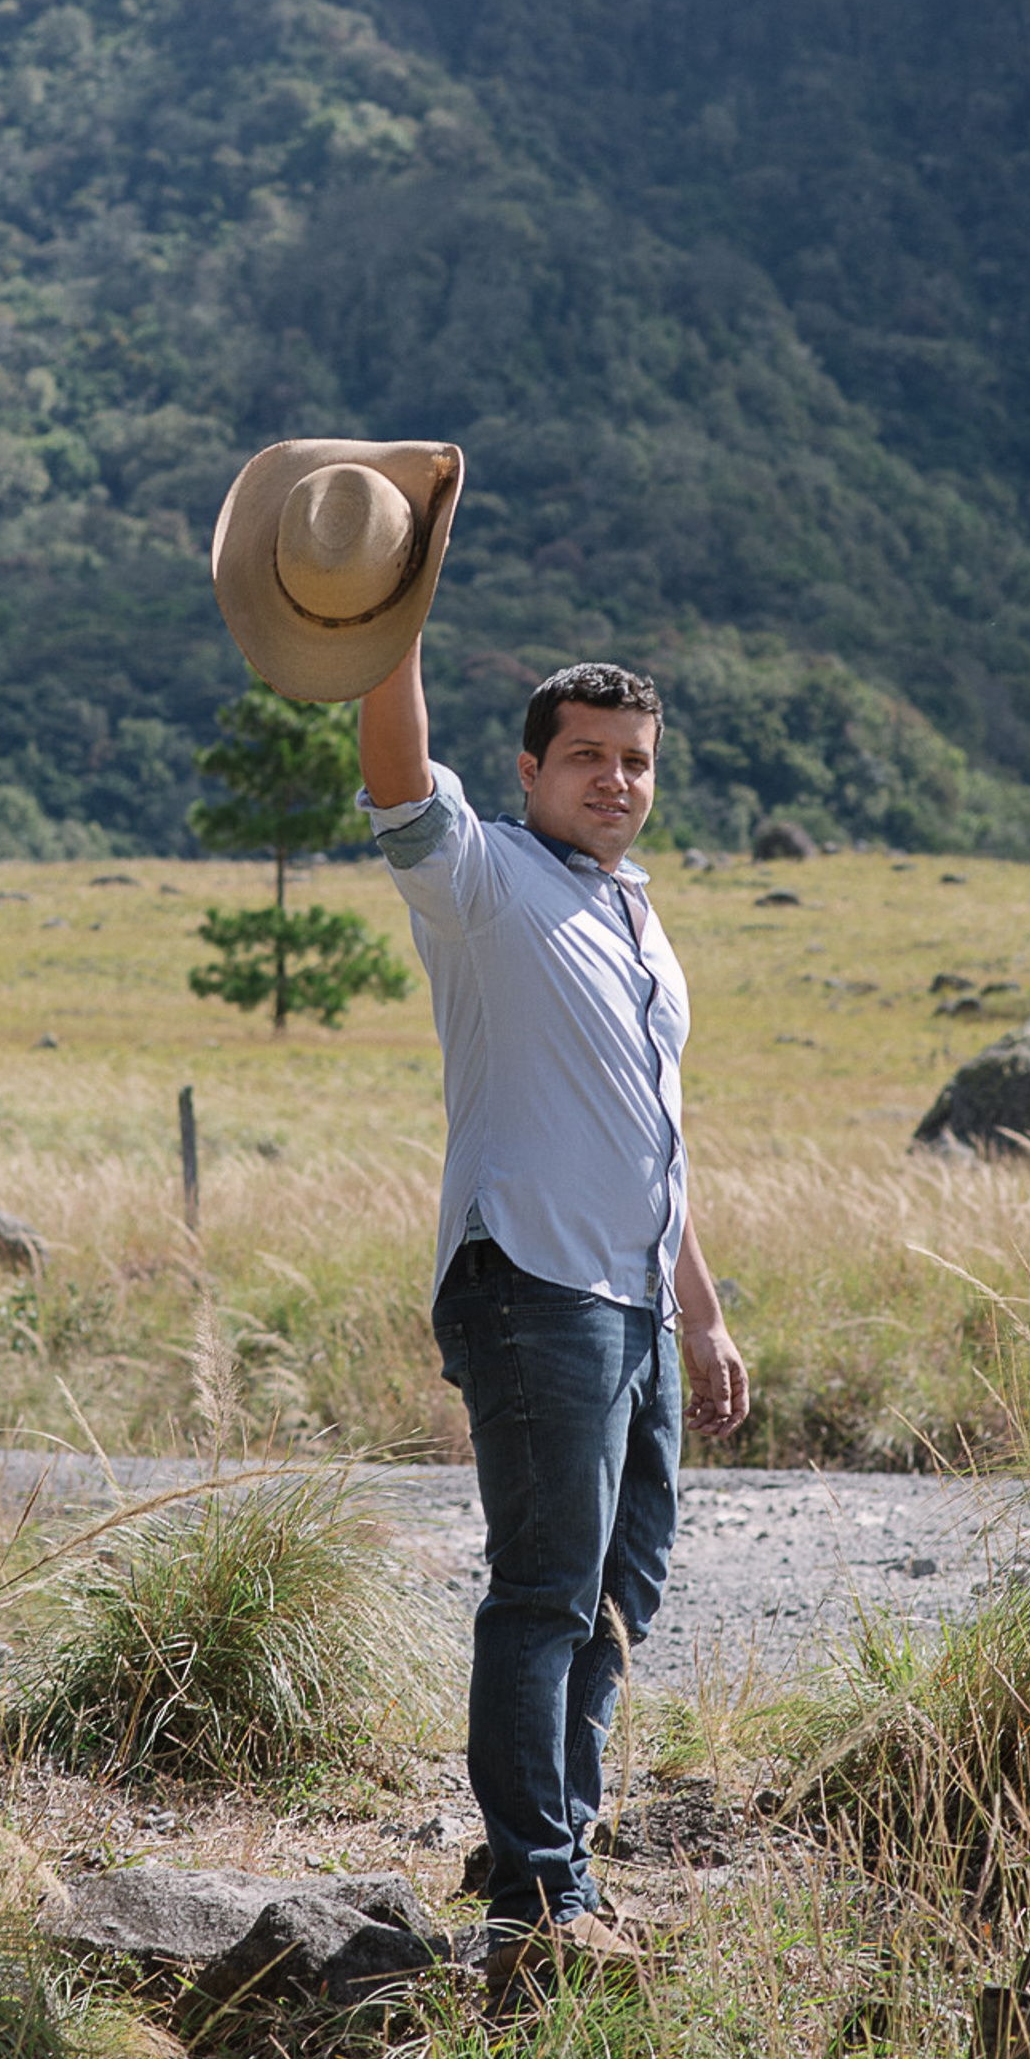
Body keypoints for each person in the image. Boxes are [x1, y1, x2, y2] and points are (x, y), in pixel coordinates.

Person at [355, 636, 751, 1985]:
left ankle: (548, 1853)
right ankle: (539, 1893)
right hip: (533, 1286)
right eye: (586, 756)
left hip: (634, 1304)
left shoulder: (637, 914)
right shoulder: (487, 886)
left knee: (618, 1596)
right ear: (530, 768)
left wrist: (700, 1315)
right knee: (545, 1596)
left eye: (636, 761)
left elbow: (654, 1137)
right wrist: (387, 632)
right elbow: (401, 780)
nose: (616, 780)